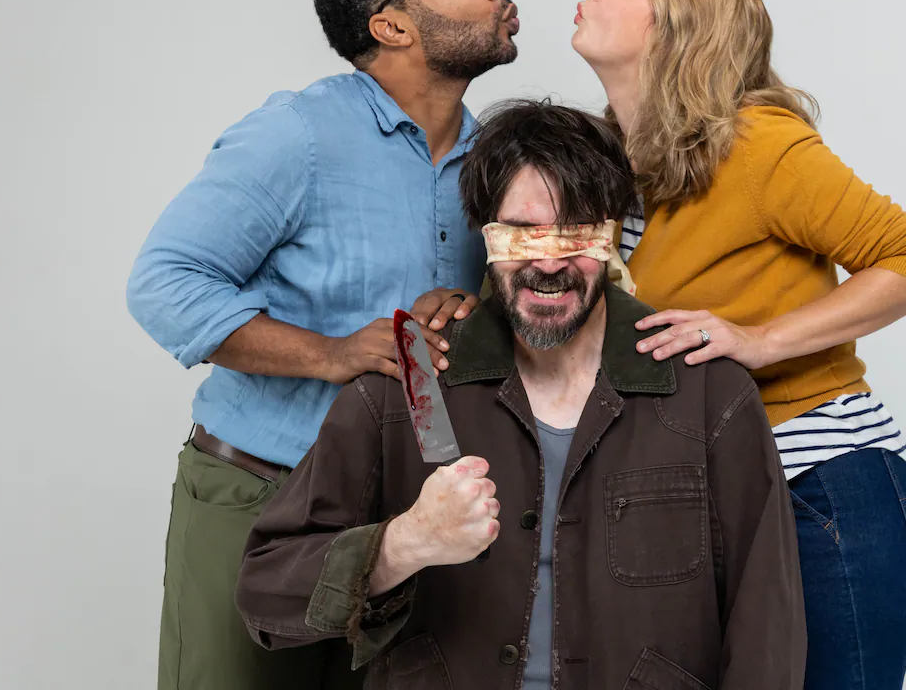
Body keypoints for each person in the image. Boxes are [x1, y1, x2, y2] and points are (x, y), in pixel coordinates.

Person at [234, 100, 806, 690]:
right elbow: (265, 594)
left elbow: (767, 621)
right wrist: (403, 545)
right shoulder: (409, 384)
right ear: (486, 236)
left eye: (576, 232)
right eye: (523, 234)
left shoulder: (708, 389)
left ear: (610, 238)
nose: (550, 262)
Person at [125, 0, 519, 690]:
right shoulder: (299, 134)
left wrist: (479, 310)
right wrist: (331, 354)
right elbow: (164, 282)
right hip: (258, 497)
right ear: (392, 25)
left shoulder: (498, 162)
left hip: (406, 523)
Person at [572, 0, 906, 690]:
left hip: (824, 493)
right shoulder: (614, 169)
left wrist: (762, 340)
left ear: (679, 26)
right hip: (710, 503)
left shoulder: (755, 144)